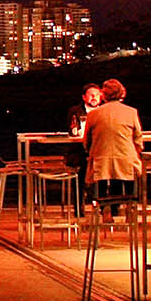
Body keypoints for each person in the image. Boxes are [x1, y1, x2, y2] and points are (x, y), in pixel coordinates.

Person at [83, 78, 143, 213]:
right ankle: (128, 205)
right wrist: (137, 151)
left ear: (103, 95)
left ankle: (105, 207)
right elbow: (138, 138)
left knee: (103, 174)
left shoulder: (93, 114)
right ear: (122, 93)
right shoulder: (131, 112)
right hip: (126, 159)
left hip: (101, 161)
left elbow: (86, 140)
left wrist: (90, 151)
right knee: (124, 171)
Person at [64, 83, 102, 213]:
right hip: (79, 151)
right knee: (84, 168)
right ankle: (80, 206)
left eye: (97, 95)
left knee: (104, 167)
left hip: (100, 152)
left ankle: (106, 205)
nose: (94, 98)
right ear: (84, 97)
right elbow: (72, 131)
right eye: (91, 95)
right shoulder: (75, 111)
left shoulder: (104, 111)